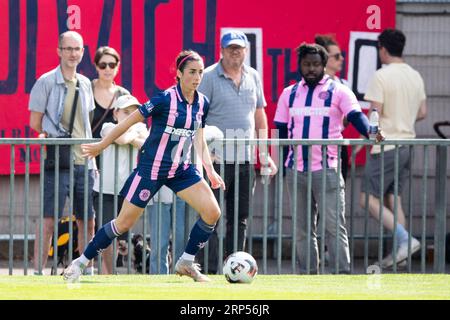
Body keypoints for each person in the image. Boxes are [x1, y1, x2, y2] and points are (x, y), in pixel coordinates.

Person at [63, 50, 225, 283]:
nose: (197, 77)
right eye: (192, 72)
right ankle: (79, 263)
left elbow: (198, 137)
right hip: (151, 168)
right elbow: (127, 122)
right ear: (179, 73)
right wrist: (101, 145)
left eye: (200, 72)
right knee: (123, 223)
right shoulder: (164, 100)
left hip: (181, 169)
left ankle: (186, 262)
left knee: (212, 212)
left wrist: (209, 170)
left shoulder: (202, 103)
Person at [274, 43, 383, 274]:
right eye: (306, 64)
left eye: (315, 64)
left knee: (334, 227)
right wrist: (285, 168)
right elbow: (281, 133)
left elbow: (356, 116)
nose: (311, 68)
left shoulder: (339, 91)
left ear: (324, 65)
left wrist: (371, 133)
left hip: (328, 170)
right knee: (302, 230)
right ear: (299, 66)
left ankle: (342, 276)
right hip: (296, 171)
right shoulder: (288, 94)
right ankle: (308, 276)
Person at [197, 30, 277, 274]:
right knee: (211, 216)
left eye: (239, 47)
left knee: (240, 218)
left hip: (245, 160)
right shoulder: (209, 76)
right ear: (221, 50)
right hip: (216, 161)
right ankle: (209, 269)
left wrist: (264, 154)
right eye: (230, 47)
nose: (235, 51)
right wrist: (204, 155)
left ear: (246, 50)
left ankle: (234, 267)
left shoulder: (253, 76)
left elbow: (260, 117)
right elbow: (197, 118)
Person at [29, 31, 96, 275]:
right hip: (58, 158)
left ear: (83, 52)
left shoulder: (86, 83)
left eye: (77, 49)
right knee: (49, 219)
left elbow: (86, 122)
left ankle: (85, 270)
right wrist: (54, 135)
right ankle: (37, 273)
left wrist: (93, 160)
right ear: (58, 51)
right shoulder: (45, 81)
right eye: (67, 49)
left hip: (85, 160)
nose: (72, 53)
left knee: (87, 220)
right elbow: (35, 122)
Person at [360, 28, 427, 268]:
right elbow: (422, 113)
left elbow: (374, 113)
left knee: (368, 198)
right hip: (408, 144)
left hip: (385, 144)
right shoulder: (415, 75)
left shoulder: (382, 76)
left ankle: (405, 241)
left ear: (383, 50)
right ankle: (401, 255)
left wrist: (370, 137)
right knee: (394, 199)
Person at [93, 94, 148, 274]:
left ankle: (115, 272)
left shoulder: (141, 127)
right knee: (107, 235)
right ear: (115, 113)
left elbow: (145, 144)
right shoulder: (107, 126)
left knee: (122, 235)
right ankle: (108, 273)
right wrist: (133, 134)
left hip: (128, 191)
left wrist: (132, 134)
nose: (131, 116)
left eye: (134, 113)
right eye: (126, 112)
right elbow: (121, 139)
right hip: (105, 190)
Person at [315, 34, 350, 181]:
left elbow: (349, 117)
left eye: (341, 55)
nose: (341, 59)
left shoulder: (344, 84)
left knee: (336, 194)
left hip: (337, 145)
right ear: (325, 58)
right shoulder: (311, 83)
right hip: (315, 146)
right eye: (336, 56)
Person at [90, 46, 130, 167]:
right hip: (90, 157)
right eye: (103, 65)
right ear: (96, 66)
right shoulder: (87, 90)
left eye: (112, 65)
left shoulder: (124, 94)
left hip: (115, 158)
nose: (107, 69)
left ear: (117, 67)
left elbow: (131, 126)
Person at [148, 186, 186, 274]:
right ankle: (158, 281)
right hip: (159, 190)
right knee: (159, 244)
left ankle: (180, 279)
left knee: (182, 241)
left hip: (183, 189)